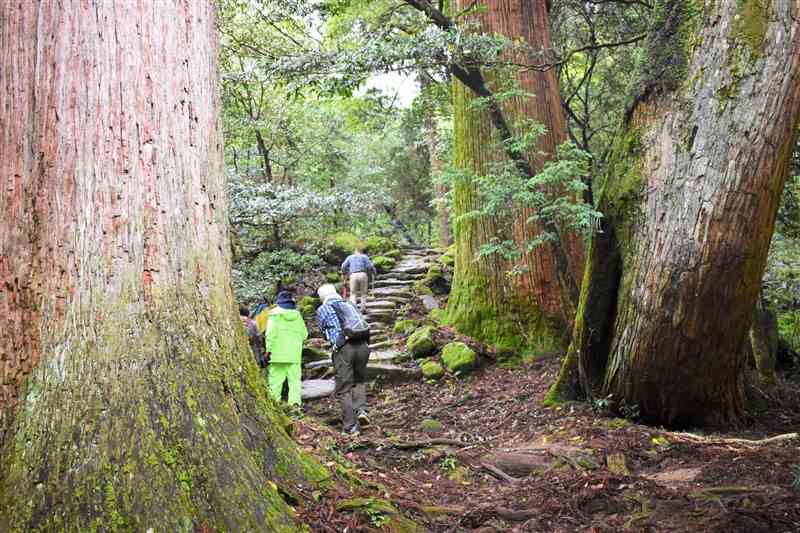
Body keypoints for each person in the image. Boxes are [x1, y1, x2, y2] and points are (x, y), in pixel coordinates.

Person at [316, 284, 370, 436]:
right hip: (362, 345)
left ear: (322, 297)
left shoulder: (323, 309)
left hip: (344, 348)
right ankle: (362, 410)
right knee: (359, 380)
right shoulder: (349, 304)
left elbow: (323, 331)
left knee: (344, 388)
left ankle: (350, 427)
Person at [264, 291, 308, 407]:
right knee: (294, 382)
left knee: (275, 383)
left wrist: (268, 351)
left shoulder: (274, 316)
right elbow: (305, 335)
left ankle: (274, 406)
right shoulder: (298, 317)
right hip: (294, 355)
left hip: (276, 355)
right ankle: (295, 406)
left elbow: (270, 334)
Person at [340, 246, 376, 312]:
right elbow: (370, 266)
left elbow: (343, 266)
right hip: (363, 274)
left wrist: (346, 272)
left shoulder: (350, 257)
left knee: (353, 293)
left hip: (353, 275)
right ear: (361, 251)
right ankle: (362, 308)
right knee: (363, 293)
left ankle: (353, 309)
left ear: (355, 251)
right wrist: (374, 272)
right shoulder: (364, 257)